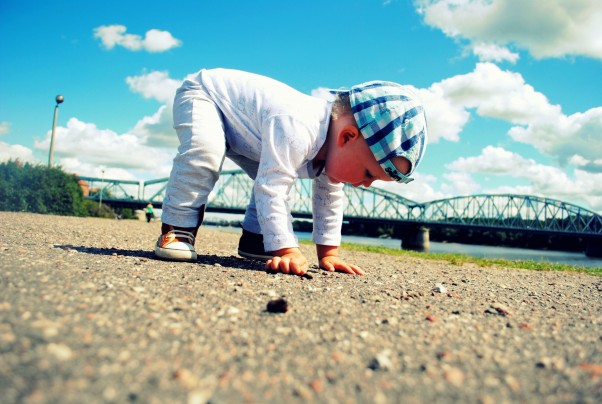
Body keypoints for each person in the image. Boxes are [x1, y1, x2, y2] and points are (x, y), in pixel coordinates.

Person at [155, 68, 427, 276]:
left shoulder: (330, 148)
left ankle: (256, 239)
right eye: (369, 173)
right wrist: (287, 249)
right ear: (347, 137)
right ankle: (178, 229)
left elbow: (329, 200)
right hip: (206, 95)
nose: (366, 185)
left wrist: (328, 254)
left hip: (248, 132)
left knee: (276, 174)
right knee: (205, 154)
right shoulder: (298, 128)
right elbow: (272, 186)